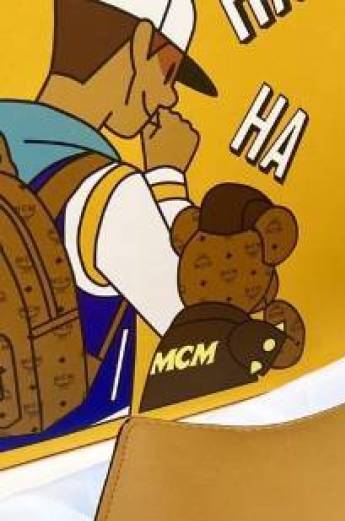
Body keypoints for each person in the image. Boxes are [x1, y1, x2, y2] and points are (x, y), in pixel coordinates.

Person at [0, 0, 216, 440]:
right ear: (139, 44)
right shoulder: (110, 193)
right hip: (80, 451)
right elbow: (201, 342)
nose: (169, 97)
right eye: (168, 71)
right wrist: (167, 179)